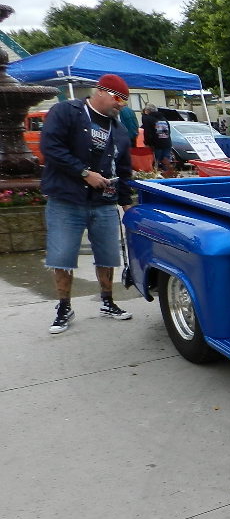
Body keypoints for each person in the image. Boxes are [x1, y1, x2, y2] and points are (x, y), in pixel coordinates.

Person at [40, 73, 134, 334]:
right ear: (100, 92)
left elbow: (124, 170)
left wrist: (126, 204)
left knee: (107, 255)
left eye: (125, 101)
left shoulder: (120, 129)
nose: (121, 105)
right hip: (66, 200)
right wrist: (84, 173)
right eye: (118, 98)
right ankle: (63, 307)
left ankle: (107, 301)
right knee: (62, 256)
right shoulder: (66, 111)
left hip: (104, 202)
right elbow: (51, 147)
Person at [141, 104, 173, 174]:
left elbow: (147, 133)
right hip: (167, 143)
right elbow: (168, 131)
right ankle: (168, 176)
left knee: (155, 163)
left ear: (147, 111)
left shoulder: (148, 119)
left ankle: (157, 177)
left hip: (156, 145)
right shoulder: (163, 118)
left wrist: (147, 143)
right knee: (166, 162)